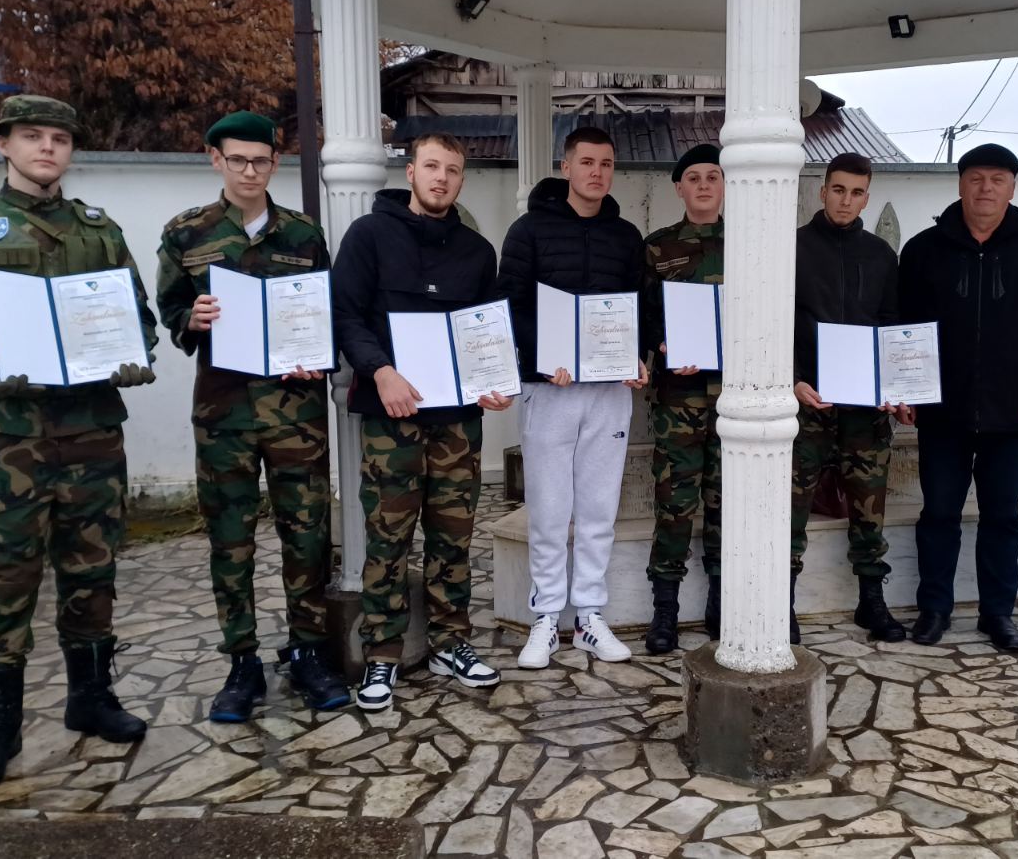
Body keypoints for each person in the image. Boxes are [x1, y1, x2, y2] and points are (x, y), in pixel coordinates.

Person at [0, 95, 157, 794]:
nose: (47, 148)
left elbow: (136, 314)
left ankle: (91, 698)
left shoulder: (97, 231)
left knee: (92, 573)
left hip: (91, 431)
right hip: (6, 441)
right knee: (3, 583)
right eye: (32, 136)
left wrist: (133, 351)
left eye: (60, 138)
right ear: (4, 145)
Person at [155, 111, 351, 720]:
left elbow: (326, 312)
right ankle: (241, 662)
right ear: (216, 159)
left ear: (275, 162)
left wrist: (318, 355)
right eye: (237, 159)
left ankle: (309, 651)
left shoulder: (303, 234)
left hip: (296, 414)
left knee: (307, 535)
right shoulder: (186, 232)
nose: (248, 171)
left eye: (260, 160)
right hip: (225, 415)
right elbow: (169, 309)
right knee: (230, 539)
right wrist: (192, 318)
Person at [332, 132, 512, 712]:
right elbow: (345, 314)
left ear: (461, 180)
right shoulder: (369, 236)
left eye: (452, 170)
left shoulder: (477, 252)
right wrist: (380, 370)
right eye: (431, 166)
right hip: (393, 419)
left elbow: (486, 330)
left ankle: (449, 642)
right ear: (410, 171)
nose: (442, 178)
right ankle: (382, 652)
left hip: (457, 421)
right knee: (388, 538)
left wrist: (493, 383)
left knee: (453, 536)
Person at [898, 143, 1018, 652]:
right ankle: (934, 609)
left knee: (1003, 518)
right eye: (976, 178)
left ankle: (997, 612)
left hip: (1014, 413)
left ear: (1012, 188)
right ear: (960, 185)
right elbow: (903, 326)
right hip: (943, 412)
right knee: (939, 515)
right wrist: (905, 391)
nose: (985, 189)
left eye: (997, 180)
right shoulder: (924, 249)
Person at [496, 125, 648, 669]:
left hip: (609, 390)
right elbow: (511, 304)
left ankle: (588, 616)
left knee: (599, 507)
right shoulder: (529, 230)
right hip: (550, 387)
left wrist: (637, 356)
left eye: (606, 164)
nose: (596, 173)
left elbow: (639, 304)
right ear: (566, 167)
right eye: (587, 162)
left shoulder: (626, 236)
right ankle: (545, 616)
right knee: (549, 505)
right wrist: (543, 357)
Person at [789, 151, 909, 645]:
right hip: (808, 401)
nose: (846, 200)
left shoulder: (880, 255)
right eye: (838, 190)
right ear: (822, 191)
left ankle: (871, 600)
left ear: (867, 198)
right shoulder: (793, 248)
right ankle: (781, 602)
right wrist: (793, 380)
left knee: (869, 504)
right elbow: (776, 321)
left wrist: (893, 387)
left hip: (864, 407)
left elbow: (891, 324)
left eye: (856, 192)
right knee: (790, 506)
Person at [641, 144, 725, 654]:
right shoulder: (658, 247)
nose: (704, 185)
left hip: (735, 398)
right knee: (674, 504)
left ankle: (721, 604)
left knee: (725, 503)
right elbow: (644, 313)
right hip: (679, 398)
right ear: (679, 188)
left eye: (713, 176)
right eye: (694, 177)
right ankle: (665, 610)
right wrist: (663, 342)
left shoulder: (749, 244)